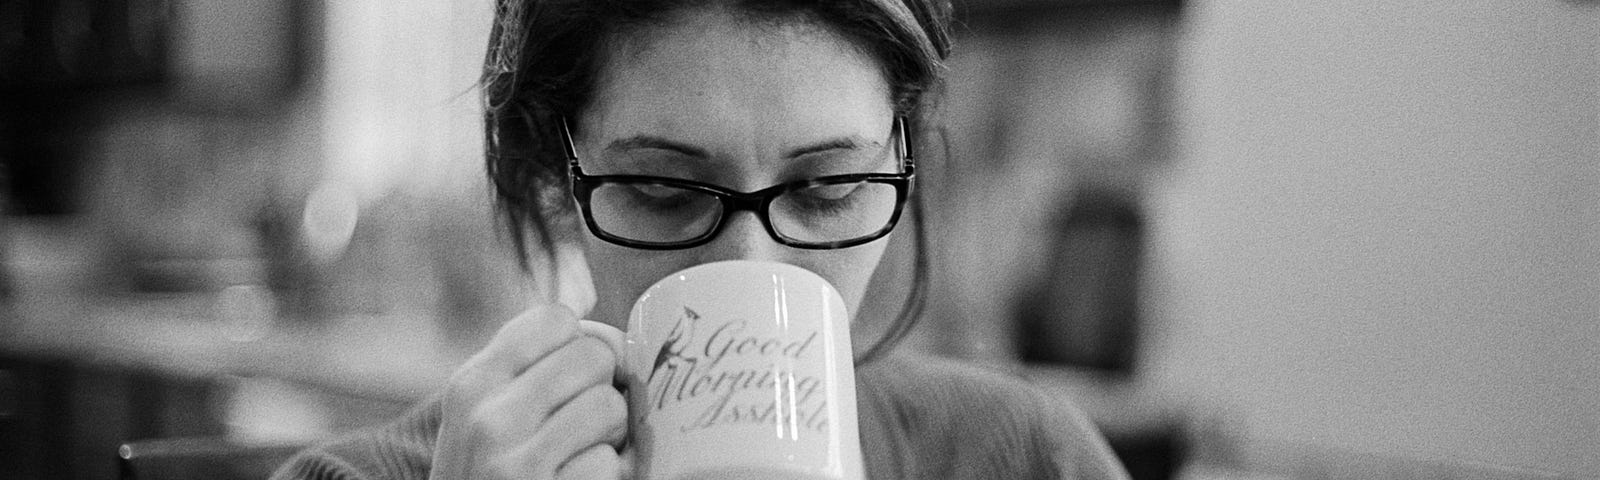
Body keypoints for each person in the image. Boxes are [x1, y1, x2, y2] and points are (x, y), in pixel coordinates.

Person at [273, 0, 1130, 479]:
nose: (751, 266)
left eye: (828, 189)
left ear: (902, 158)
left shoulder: (1019, 455)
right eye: (663, 190)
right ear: (553, 176)